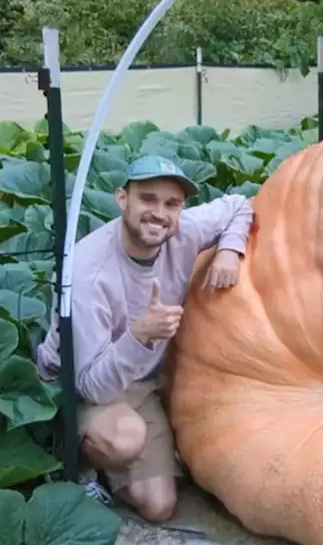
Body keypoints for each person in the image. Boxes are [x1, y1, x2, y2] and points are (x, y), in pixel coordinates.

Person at [36, 154, 255, 523]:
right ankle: (74, 461)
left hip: (140, 382)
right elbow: (92, 385)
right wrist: (140, 335)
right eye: (148, 199)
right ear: (123, 199)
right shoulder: (89, 272)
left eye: (171, 204)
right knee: (125, 440)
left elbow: (239, 206)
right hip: (76, 388)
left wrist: (230, 250)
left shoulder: (183, 231)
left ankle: (113, 456)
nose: (160, 213)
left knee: (159, 507)